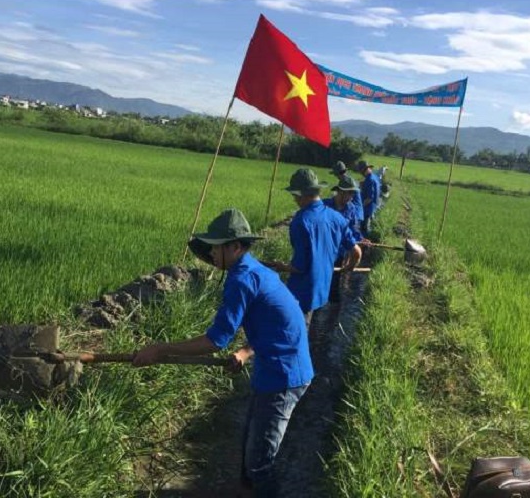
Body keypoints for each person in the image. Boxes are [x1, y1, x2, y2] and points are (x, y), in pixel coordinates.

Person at [133, 208, 314, 497]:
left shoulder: (242, 280)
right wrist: (245, 351)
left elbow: (215, 341)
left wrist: (160, 349)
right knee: (250, 445)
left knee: (260, 462)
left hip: (284, 376)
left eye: (216, 247)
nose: (211, 253)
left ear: (235, 247)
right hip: (274, 367)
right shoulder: (257, 270)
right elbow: (278, 324)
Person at [269, 168, 361, 327]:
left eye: (295, 196)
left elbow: (300, 267)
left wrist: (282, 267)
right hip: (322, 288)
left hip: (302, 292)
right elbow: (357, 252)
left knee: (295, 335)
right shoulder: (337, 217)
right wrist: (349, 268)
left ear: (302, 195)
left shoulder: (301, 221)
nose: (295, 200)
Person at [322, 175, 364, 305]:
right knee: (321, 281)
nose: (351, 197)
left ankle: (333, 313)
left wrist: (361, 239)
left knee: (334, 282)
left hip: (339, 253)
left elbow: (353, 229)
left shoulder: (351, 209)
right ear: (341, 191)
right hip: (323, 251)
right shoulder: (324, 205)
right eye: (349, 193)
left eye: (353, 193)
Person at [355, 160, 381, 236]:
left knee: (364, 229)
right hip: (373, 207)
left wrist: (360, 207)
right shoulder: (373, 177)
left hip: (367, 210)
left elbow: (369, 198)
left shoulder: (369, 180)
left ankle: (365, 245)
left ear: (363, 170)